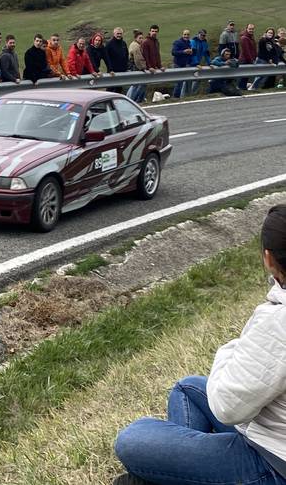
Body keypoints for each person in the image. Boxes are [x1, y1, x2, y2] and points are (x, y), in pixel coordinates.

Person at [114, 204, 286, 485]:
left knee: (132, 439)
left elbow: (226, 408)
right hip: (272, 434)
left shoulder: (278, 324)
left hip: (273, 463)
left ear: (268, 258)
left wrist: (230, 350)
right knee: (189, 388)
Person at [171, 29, 193, 98]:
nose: (186, 36)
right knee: (178, 83)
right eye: (185, 34)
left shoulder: (190, 43)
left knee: (183, 82)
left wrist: (190, 52)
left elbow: (190, 54)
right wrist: (183, 52)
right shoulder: (177, 42)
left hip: (185, 65)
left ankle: (182, 97)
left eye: (188, 35)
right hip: (177, 65)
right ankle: (175, 97)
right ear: (182, 35)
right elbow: (173, 52)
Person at [127, 30, 148, 103]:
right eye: (140, 38)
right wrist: (143, 68)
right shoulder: (136, 46)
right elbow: (138, 59)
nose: (141, 40)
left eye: (142, 38)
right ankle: (133, 100)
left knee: (135, 85)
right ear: (136, 38)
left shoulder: (134, 44)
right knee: (138, 85)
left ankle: (130, 99)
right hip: (136, 68)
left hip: (133, 67)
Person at [106, 27, 129, 93]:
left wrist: (126, 66)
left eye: (120, 33)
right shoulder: (109, 44)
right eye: (117, 33)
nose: (119, 35)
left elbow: (126, 55)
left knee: (119, 89)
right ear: (114, 34)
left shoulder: (123, 43)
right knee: (110, 89)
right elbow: (106, 58)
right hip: (113, 72)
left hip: (122, 71)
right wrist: (110, 69)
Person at [189, 29, 211, 94]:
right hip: (190, 63)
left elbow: (206, 54)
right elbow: (193, 54)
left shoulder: (204, 42)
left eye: (204, 35)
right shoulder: (193, 41)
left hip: (197, 64)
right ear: (198, 34)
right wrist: (196, 63)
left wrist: (210, 63)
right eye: (201, 35)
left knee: (197, 79)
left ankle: (192, 94)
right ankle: (183, 96)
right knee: (187, 80)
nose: (202, 36)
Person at [238, 24, 257, 90]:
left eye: (252, 29)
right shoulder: (244, 38)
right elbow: (246, 51)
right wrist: (251, 60)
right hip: (244, 60)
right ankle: (241, 88)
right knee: (243, 76)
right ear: (246, 29)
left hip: (248, 59)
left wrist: (255, 57)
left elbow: (253, 49)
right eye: (249, 29)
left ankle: (243, 88)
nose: (251, 30)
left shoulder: (251, 37)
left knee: (246, 76)